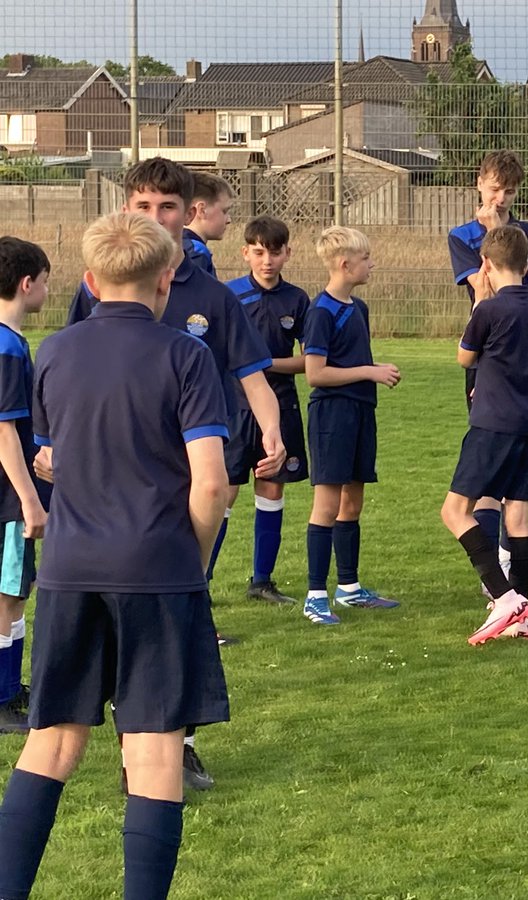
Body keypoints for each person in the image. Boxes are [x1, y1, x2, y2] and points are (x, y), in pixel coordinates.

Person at [0, 212, 230, 900]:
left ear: (91, 281)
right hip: (157, 570)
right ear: (167, 278)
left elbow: (52, 456)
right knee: (154, 749)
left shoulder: (56, 353)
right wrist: (188, 554)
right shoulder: (184, 356)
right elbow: (212, 481)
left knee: (52, 742)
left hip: (71, 570)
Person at [61, 156, 282, 792]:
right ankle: (125, 739)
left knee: (181, 610)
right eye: (143, 206)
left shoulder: (213, 297)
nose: (154, 218)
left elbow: (249, 371)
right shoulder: (101, 284)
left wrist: (269, 427)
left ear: (188, 215)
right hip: (111, 476)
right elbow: (76, 364)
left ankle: (172, 743)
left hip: (186, 479)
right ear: (126, 209)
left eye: (167, 207)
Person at [440, 225, 528, 644]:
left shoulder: (489, 310)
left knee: (454, 512)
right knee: (518, 516)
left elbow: (464, 358)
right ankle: (523, 617)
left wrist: (478, 300)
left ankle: (505, 597)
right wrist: (524, 372)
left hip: (492, 426)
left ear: (487, 266)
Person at [449, 150, 528, 586]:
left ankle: (508, 584)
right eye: (494, 189)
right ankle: (495, 573)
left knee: (516, 482)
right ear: (479, 184)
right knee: (488, 477)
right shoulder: (461, 235)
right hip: (489, 360)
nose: (500, 198)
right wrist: (492, 235)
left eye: (508, 191)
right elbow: (482, 294)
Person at [302, 226, 401, 626]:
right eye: (365, 259)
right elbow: (315, 374)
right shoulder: (321, 312)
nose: (371, 264)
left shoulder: (358, 308)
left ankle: (349, 587)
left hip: (361, 412)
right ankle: (314, 595)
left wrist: (368, 377)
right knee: (326, 505)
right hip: (332, 416)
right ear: (345, 264)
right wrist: (370, 372)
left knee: (352, 502)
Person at [222, 217, 311, 605]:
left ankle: (262, 581)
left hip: (281, 407)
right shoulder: (228, 296)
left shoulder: (298, 299)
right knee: (221, 493)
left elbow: (310, 361)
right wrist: (246, 369)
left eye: (275, 252)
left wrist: (260, 364)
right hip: (233, 408)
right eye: (258, 252)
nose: (267, 260)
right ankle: (199, 579)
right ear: (245, 253)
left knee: (272, 490)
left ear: (287, 253)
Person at [0, 238, 49, 735]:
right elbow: (4, 430)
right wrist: (29, 500)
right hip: (7, 496)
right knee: (9, 593)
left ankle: (10, 687)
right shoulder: (8, 346)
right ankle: (1, 697)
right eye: (47, 280)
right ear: (27, 283)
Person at [183, 172, 234, 277]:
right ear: (202, 210)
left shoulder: (177, 244)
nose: (229, 219)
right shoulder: (196, 253)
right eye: (224, 211)